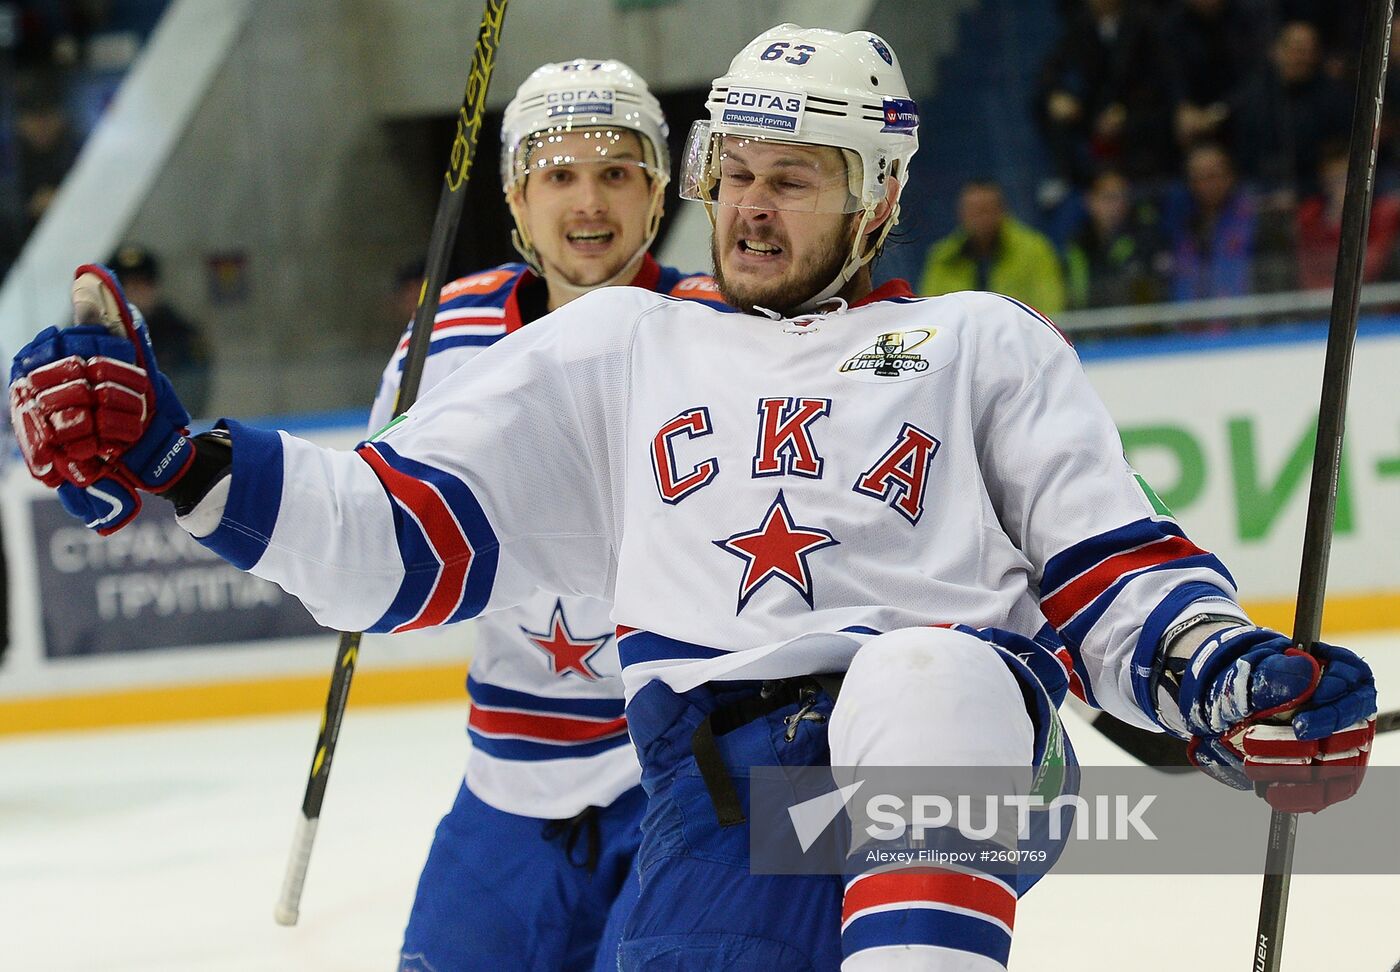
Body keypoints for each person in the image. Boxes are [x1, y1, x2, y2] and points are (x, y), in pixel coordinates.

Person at [11, 24, 1377, 972]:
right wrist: (188, 465)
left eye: (793, 178)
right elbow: (388, 538)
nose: (749, 206)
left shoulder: (981, 342)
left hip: (961, 749)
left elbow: (1106, 567)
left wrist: (1219, 674)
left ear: (881, 193)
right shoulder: (618, 348)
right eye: (733, 173)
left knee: (925, 679)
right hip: (721, 799)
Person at [367, 59, 727, 972]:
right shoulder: (445, 338)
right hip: (510, 778)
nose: (588, 201)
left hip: (688, 777)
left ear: (658, 194)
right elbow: (380, 526)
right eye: (558, 175)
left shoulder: (726, 328)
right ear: (517, 200)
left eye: (616, 171)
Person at [920, 179, 1067, 314]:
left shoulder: (1034, 249)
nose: (979, 218)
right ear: (961, 213)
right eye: (972, 210)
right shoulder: (942, 257)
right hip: (962, 339)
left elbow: (1049, 307)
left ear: (1002, 210)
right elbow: (932, 312)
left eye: (985, 209)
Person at [107, 245, 213, 416]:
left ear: (154, 287)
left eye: (141, 284)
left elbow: (192, 395)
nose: (133, 293)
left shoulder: (180, 335)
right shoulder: (101, 336)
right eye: (125, 286)